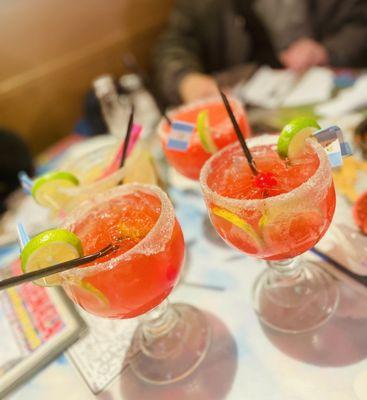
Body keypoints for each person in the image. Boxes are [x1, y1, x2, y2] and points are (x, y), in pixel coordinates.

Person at [152, 0, 367, 105]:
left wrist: (325, 50)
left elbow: (360, 23)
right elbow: (173, 44)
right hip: (249, 104)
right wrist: (185, 80)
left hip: (334, 92)